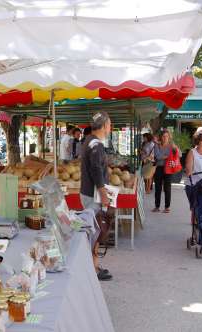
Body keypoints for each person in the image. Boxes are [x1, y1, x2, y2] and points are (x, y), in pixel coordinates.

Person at [80, 111, 112, 281]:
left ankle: (94, 265)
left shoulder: (89, 141)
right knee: (94, 231)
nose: (110, 127)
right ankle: (91, 268)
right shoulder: (96, 145)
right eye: (110, 124)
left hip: (88, 193)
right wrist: (103, 193)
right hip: (92, 195)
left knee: (94, 230)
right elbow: (96, 170)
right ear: (105, 125)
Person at [152, 129, 179, 213]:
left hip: (169, 168)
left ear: (169, 137)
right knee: (157, 188)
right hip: (159, 168)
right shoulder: (157, 145)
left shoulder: (172, 146)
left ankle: (167, 207)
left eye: (167, 136)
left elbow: (180, 154)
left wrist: (174, 149)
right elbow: (157, 156)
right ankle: (157, 206)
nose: (165, 138)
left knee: (167, 188)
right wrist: (168, 156)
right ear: (161, 137)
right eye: (163, 136)